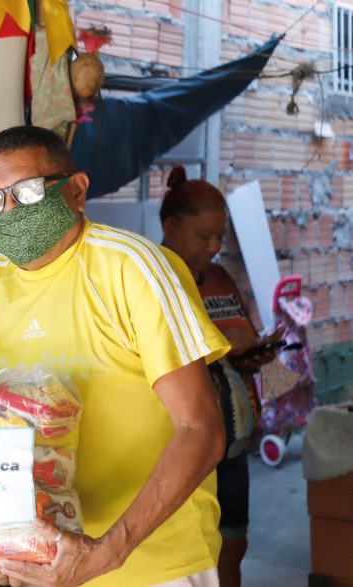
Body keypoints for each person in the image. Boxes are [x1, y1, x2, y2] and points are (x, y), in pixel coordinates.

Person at [0, 125, 230, 587]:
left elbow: (201, 429)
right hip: (40, 561)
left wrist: (106, 552)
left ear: (76, 190)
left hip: (153, 561)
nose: (9, 211)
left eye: (28, 191)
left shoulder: (134, 268)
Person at [160, 166, 282, 587]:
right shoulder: (151, 281)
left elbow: (233, 339)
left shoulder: (218, 277)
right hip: (182, 449)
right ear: (171, 227)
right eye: (203, 236)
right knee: (193, 563)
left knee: (233, 550)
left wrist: (252, 354)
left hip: (231, 445)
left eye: (220, 236)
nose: (214, 247)